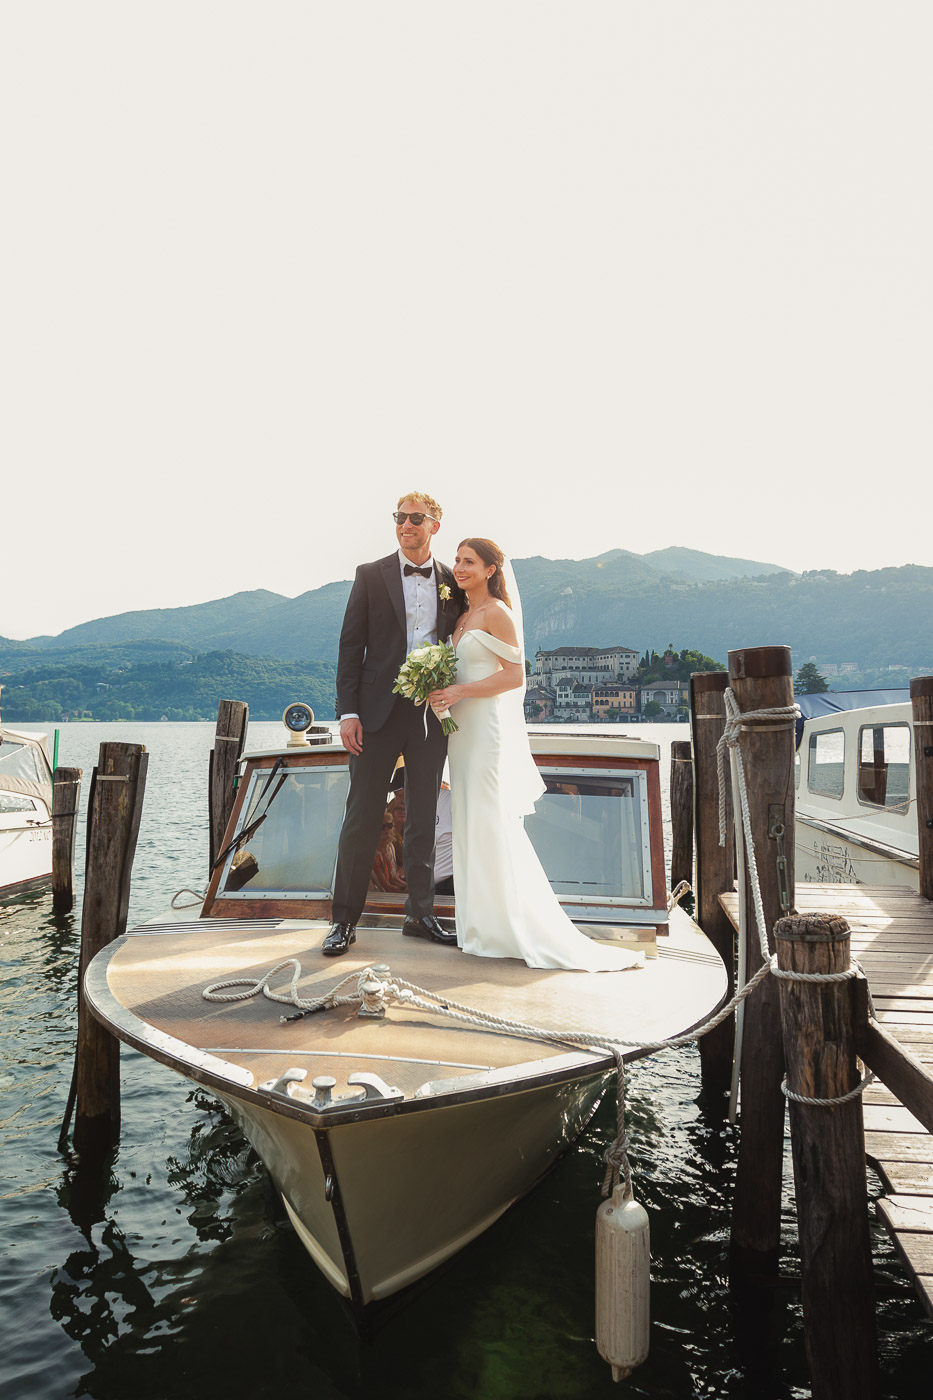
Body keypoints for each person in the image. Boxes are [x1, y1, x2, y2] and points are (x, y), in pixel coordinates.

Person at [427, 538, 642, 972]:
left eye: (469, 561)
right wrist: (441, 696)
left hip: (485, 731)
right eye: (457, 560)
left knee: (489, 821)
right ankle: (479, 928)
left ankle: (510, 926)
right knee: (469, 822)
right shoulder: (463, 616)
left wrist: (460, 691)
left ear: (490, 570)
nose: (459, 567)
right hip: (460, 731)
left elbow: (515, 676)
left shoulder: (497, 613)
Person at [324, 493, 463, 955]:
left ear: (434, 525)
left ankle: (420, 916)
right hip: (375, 715)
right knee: (361, 816)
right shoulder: (369, 575)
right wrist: (348, 712)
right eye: (400, 517)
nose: (406, 525)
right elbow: (350, 647)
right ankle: (343, 921)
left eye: (415, 518)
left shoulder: (453, 581)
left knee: (422, 818)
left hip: (430, 715)